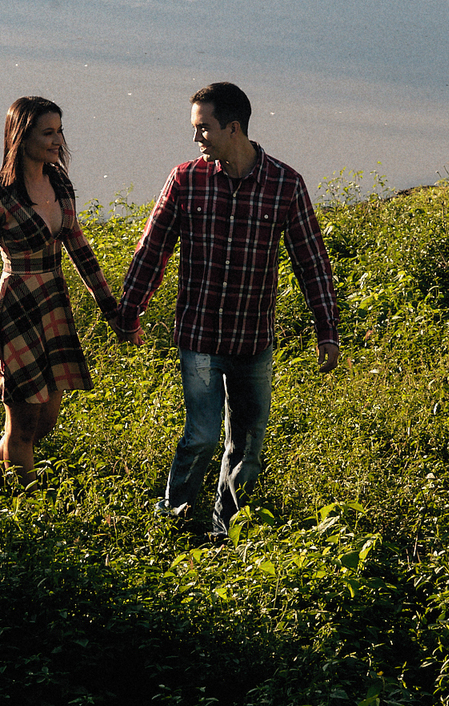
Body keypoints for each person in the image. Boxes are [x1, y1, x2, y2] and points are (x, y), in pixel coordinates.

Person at [113, 82, 340, 542]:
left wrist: (327, 331)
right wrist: (129, 312)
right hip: (198, 338)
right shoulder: (185, 180)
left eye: (204, 128)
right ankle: (172, 522)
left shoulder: (284, 185)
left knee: (248, 446)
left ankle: (223, 534)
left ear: (233, 128)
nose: (197, 138)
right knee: (200, 435)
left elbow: (310, 261)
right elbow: (151, 250)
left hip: (253, 342)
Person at [0, 96, 119, 486]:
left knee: (47, 418)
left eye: (60, 130)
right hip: (15, 310)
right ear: (21, 137)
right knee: (22, 425)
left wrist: (110, 307)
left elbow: (80, 249)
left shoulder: (59, 181)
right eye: (48, 133)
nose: (58, 141)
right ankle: (29, 509)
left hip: (54, 305)